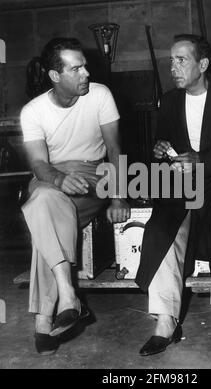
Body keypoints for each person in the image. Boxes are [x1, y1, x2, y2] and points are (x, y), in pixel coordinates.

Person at [135, 34, 211, 356]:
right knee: (161, 228)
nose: (173, 67)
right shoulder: (170, 101)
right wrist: (160, 149)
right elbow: (163, 142)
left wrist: (202, 160)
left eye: (181, 60)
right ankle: (165, 321)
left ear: (202, 65)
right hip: (181, 186)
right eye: (171, 61)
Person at [20, 37, 130, 355]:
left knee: (44, 220)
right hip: (52, 178)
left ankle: (44, 320)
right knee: (43, 201)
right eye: (76, 68)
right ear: (55, 76)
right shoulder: (33, 112)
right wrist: (59, 179)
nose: (86, 73)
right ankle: (67, 295)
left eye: (85, 66)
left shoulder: (100, 96)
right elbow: (39, 164)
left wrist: (118, 196)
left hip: (96, 176)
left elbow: (114, 150)